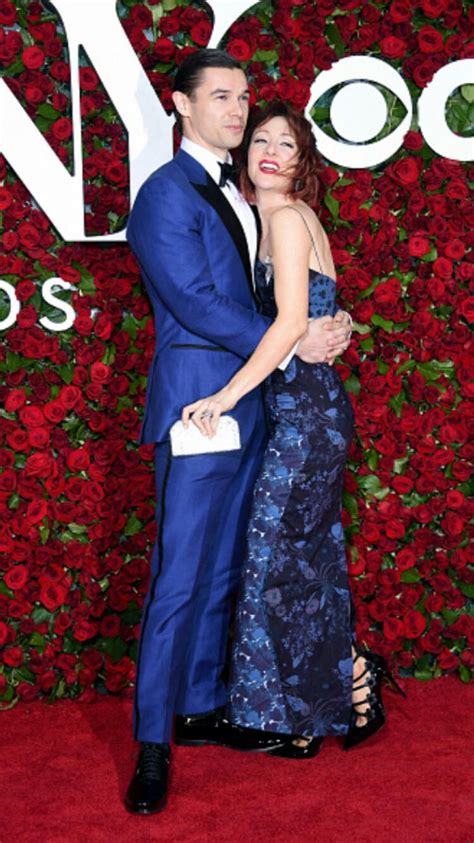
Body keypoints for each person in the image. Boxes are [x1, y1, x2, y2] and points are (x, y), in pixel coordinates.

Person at [125, 50, 352, 815]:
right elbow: (192, 302)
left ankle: (196, 708)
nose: (236, 108)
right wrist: (292, 335)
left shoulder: (253, 196)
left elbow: (293, 282)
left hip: (255, 403)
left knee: (225, 566)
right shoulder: (164, 193)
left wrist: (321, 324)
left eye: (242, 96)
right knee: (181, 575)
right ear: (181, 106)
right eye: (218, 96)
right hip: (201, 403)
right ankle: (153, 743)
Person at [183, 101, 400, 761]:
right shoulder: (295, 218)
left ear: (303, 162)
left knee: (279, 559)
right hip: (314, 410)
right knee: (304, 558)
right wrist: (325, 332)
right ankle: (350, 683)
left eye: (287, 144)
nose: (272, 151)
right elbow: (318, 317)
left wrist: (224, 395)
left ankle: (302, 716)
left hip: (304, 417)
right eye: (262, 140)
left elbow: (287, 326)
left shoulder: (281, 217)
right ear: (246, 152)